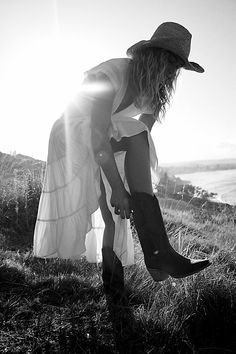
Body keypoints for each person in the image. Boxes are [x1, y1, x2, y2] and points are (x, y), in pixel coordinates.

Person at [33, 22, 210, 301]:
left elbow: (142, 133)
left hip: (107, 137)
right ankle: (159, 255)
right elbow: (96, 134)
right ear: (153, 58)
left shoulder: (152, 90)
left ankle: (124, 280)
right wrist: (117, 186)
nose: (172, 73)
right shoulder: (110, 74)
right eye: (170, 63)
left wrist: (130, 184)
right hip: (73, 134)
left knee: (113, 216)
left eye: (177, 67)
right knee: (112, 199)